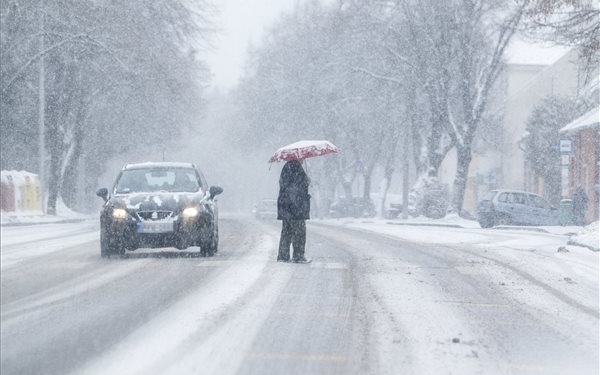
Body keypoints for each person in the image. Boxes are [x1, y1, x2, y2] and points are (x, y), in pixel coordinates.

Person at [277, 160, 311, 263]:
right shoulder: (295, 167)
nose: (304, 159)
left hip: (286, 207)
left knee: (286, 232)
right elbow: (297, 188)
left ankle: (283, 256)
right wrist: (306, 182)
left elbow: (286, 186)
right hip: (296, 208)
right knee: (299, 233)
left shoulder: (287, 167)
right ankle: (298, 256)